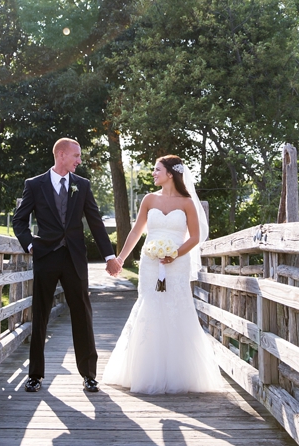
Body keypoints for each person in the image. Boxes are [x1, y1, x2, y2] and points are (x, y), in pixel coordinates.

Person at [103, 155, 222, 394]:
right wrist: (121, 258)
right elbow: (137, 231)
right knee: (150, 305)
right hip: (151, 263)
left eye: (157, 170)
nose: (153, 173)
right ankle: (147, 371)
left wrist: (175, 254)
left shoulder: (187, 202)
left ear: (170, 173)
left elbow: (196, 237)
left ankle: (179, 373)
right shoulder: (149, 199)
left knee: (176, 307)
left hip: (176, 264)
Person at [13, 138, 120, 394]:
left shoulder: (82, 186)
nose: (79, 160)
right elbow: (20, 221)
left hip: (74, 258)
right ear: (61, 155)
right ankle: (35, 375)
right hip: (45, 257)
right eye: (76, 155)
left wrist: (109, 256)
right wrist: (30, 245)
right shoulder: (34, 184)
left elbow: (95, 222)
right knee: (40, 315)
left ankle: (89, 375)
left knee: (82, 314)